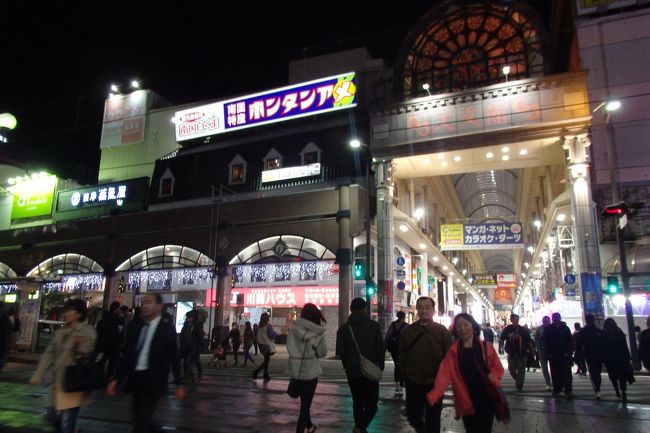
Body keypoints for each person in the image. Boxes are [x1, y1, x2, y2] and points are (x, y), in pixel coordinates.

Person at [106, 293, 185, 433]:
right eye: (142, 303)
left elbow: (173, 356)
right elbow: (128, 354)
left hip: (154, 381)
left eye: (148, 302)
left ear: (159, 306)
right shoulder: (135, 326)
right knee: (138, 416)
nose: (143, 305)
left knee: (141, 422)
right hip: (136, 379)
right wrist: (116, 378)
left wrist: (179, 383)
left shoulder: (166, 329)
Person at [426, 313, 504, 433]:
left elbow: (498, 368)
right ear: (455, 330)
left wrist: (494, 377)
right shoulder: (453, 351)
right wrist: (435, 394)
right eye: (459, 326)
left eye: (465, 325)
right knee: (471, 429)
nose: (462, 328)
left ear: (473, 326)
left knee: (485, 429)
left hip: (486, 396)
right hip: (466, 399)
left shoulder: (486, 347)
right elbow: (444, 374)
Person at [29, 299, 97, 433]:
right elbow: (48, 354)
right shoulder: (60, 332)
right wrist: (38, 375)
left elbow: (88, 353)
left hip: (74, 382)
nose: (66, 314)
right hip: (58, 382)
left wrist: (79, 346)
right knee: (50, 414)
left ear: (78, 314)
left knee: (69, 419)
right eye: (66, 311)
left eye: (69, 311)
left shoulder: (87, 330)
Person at [399, 296, 452, 433]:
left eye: (427, 308)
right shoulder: (409, 330)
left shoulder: (442, 331)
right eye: (420, 308)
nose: (424, 311)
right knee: (412, 415)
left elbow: (450, 356)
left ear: (433, 310)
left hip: (434, 382)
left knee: (433, 417)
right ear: (417, 310)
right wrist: (404, 372)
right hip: (413, 381)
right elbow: (402, 353)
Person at [336, 298, 384, 433]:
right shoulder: (374, 326)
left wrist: (347, 366)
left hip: (352, 372)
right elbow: (380, 349)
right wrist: (380, 365)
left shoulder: (344, 329)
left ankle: (359, 427)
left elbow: (341, 352)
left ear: (351, 310)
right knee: (372, 404)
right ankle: (359, 427)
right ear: (364, 309)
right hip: (370, 371)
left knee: (357, 402)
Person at [287, 303, 328, 433]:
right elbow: (322, 352)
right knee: (305, 407)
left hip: (296, 372)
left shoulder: (293, 330)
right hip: (310, 373)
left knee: (305, 403)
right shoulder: (316, 333)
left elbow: (289, 348)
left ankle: (309, 426)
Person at [600, 318, 634, 403]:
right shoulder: (619, 332)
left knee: (613, 376)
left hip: (610, 359)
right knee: (622, 376)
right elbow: (624, 346)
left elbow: (602, 348)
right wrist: (628, 358)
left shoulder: (604, 334)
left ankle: (617, 391)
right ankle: (623, 391)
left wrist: (603, 358)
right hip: (620, 358)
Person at [544, 312, 574, 399]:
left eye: (558, 318)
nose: (556, 320)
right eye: (555, 318)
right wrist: (548, 353)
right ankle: (557, 388)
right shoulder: (549, 329)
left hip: (564, 355)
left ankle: (568, 390)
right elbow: (546, 341)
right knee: (555, 372)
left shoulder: (565, 328)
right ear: (553, 319)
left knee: (566, 373)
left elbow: (570, 341)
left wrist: (568, 352)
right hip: (553, 355)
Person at [499, 313, 531, 391]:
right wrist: (501, 347)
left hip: (521, 353)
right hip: (511, 353)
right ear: (511, 320)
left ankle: (519, 386)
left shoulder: (522, 329)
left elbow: (528, 339)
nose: (516, 321)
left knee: (521, 370)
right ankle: (518, 380)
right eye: (515, 319)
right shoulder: (507, 329)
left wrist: (531, 349)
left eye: (517, 319)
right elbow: (502, 338)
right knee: (511, 368)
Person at [575, 313, 603, 399]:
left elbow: (579, 345)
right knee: (598, 372)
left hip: (588, 354)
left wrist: (577, 354)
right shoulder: (598, 331)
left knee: (593, 371)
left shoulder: (583, 332)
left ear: (586, 321)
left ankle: (597, 389)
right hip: (598, 354)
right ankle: (597, 387)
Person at [96, 301, 122, 379]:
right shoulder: (116, 319)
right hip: (112, 344)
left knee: (102, 360)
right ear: (116, 309)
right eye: (119, 308)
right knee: (112, 361)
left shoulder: (102, 320)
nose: (119, 310)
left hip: (102, 344)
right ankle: (109, 376)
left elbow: (98, 331)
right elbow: (118, 331)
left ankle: (98, 376)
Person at [385, 310, 407, 395]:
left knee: (396, 366)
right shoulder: (406, 326)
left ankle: (397, 384)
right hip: (402, 349)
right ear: (404, 317)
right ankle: (401, 385)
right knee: (401, 366)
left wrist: (385, 347)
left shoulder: (393, 325)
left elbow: (387, 336)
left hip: (393, 348)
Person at [252, 313, 277, 382]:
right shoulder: (268, 326)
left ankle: (265, 375)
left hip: (261, 346)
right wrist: (276, 333)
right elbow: (271, 335)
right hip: (267, 346)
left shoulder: (259, 327)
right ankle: (256, 372)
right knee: (266, 362)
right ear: (267, 318)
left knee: (266, 361)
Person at [179, 310, 203, 381]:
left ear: (192, 318)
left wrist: (200, 346)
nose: (187, 319)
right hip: (186, 346)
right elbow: (182, 334)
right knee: (186, 361)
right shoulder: (186, 325)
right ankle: (187, 376)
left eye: (189, 317)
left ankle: (191, 375)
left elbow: (199, 336)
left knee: (190, 361)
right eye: (187, 317)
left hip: (193, 346)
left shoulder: (197, 325)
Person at [534, 316, 552, 391]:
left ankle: (556, 382)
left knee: (554, 367)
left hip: (552, 351)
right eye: (545, 321)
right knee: (544, 368)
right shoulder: (539, 329)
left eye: (547, 321)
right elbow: (536, 339)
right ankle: (548, 383)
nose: (546, 322)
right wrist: (538, 348)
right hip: (542, 351)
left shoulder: (552, 328)